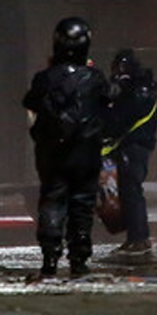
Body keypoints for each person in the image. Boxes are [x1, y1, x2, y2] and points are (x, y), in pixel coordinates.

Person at [22, 17, 112, 278]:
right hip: (86, 152)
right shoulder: (95, 78)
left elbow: (30, 101)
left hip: (52, 152)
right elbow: (107, 101)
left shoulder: (44, 78)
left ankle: (50, 256)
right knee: (82, 204)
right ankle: (79, 258)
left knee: (52, 200)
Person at [104, 49, 157, 259]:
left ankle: (138, 239)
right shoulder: (139, 89)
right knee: (128, 191)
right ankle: (135, 238)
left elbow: (122, 116)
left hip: (134, 145)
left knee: (131, 191)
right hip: (133, 145)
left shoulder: (138, 91)